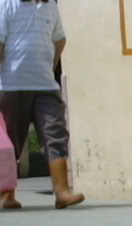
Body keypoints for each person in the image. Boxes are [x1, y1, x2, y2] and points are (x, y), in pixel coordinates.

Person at [0, 0, 84, 209]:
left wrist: (50, 68)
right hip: (11, 85)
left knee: (56, 134)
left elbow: (59, 39)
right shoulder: (6, 4)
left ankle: (62, 192)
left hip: (45, 85)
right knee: (11, 141)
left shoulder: (51, 7)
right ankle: (7, 194)